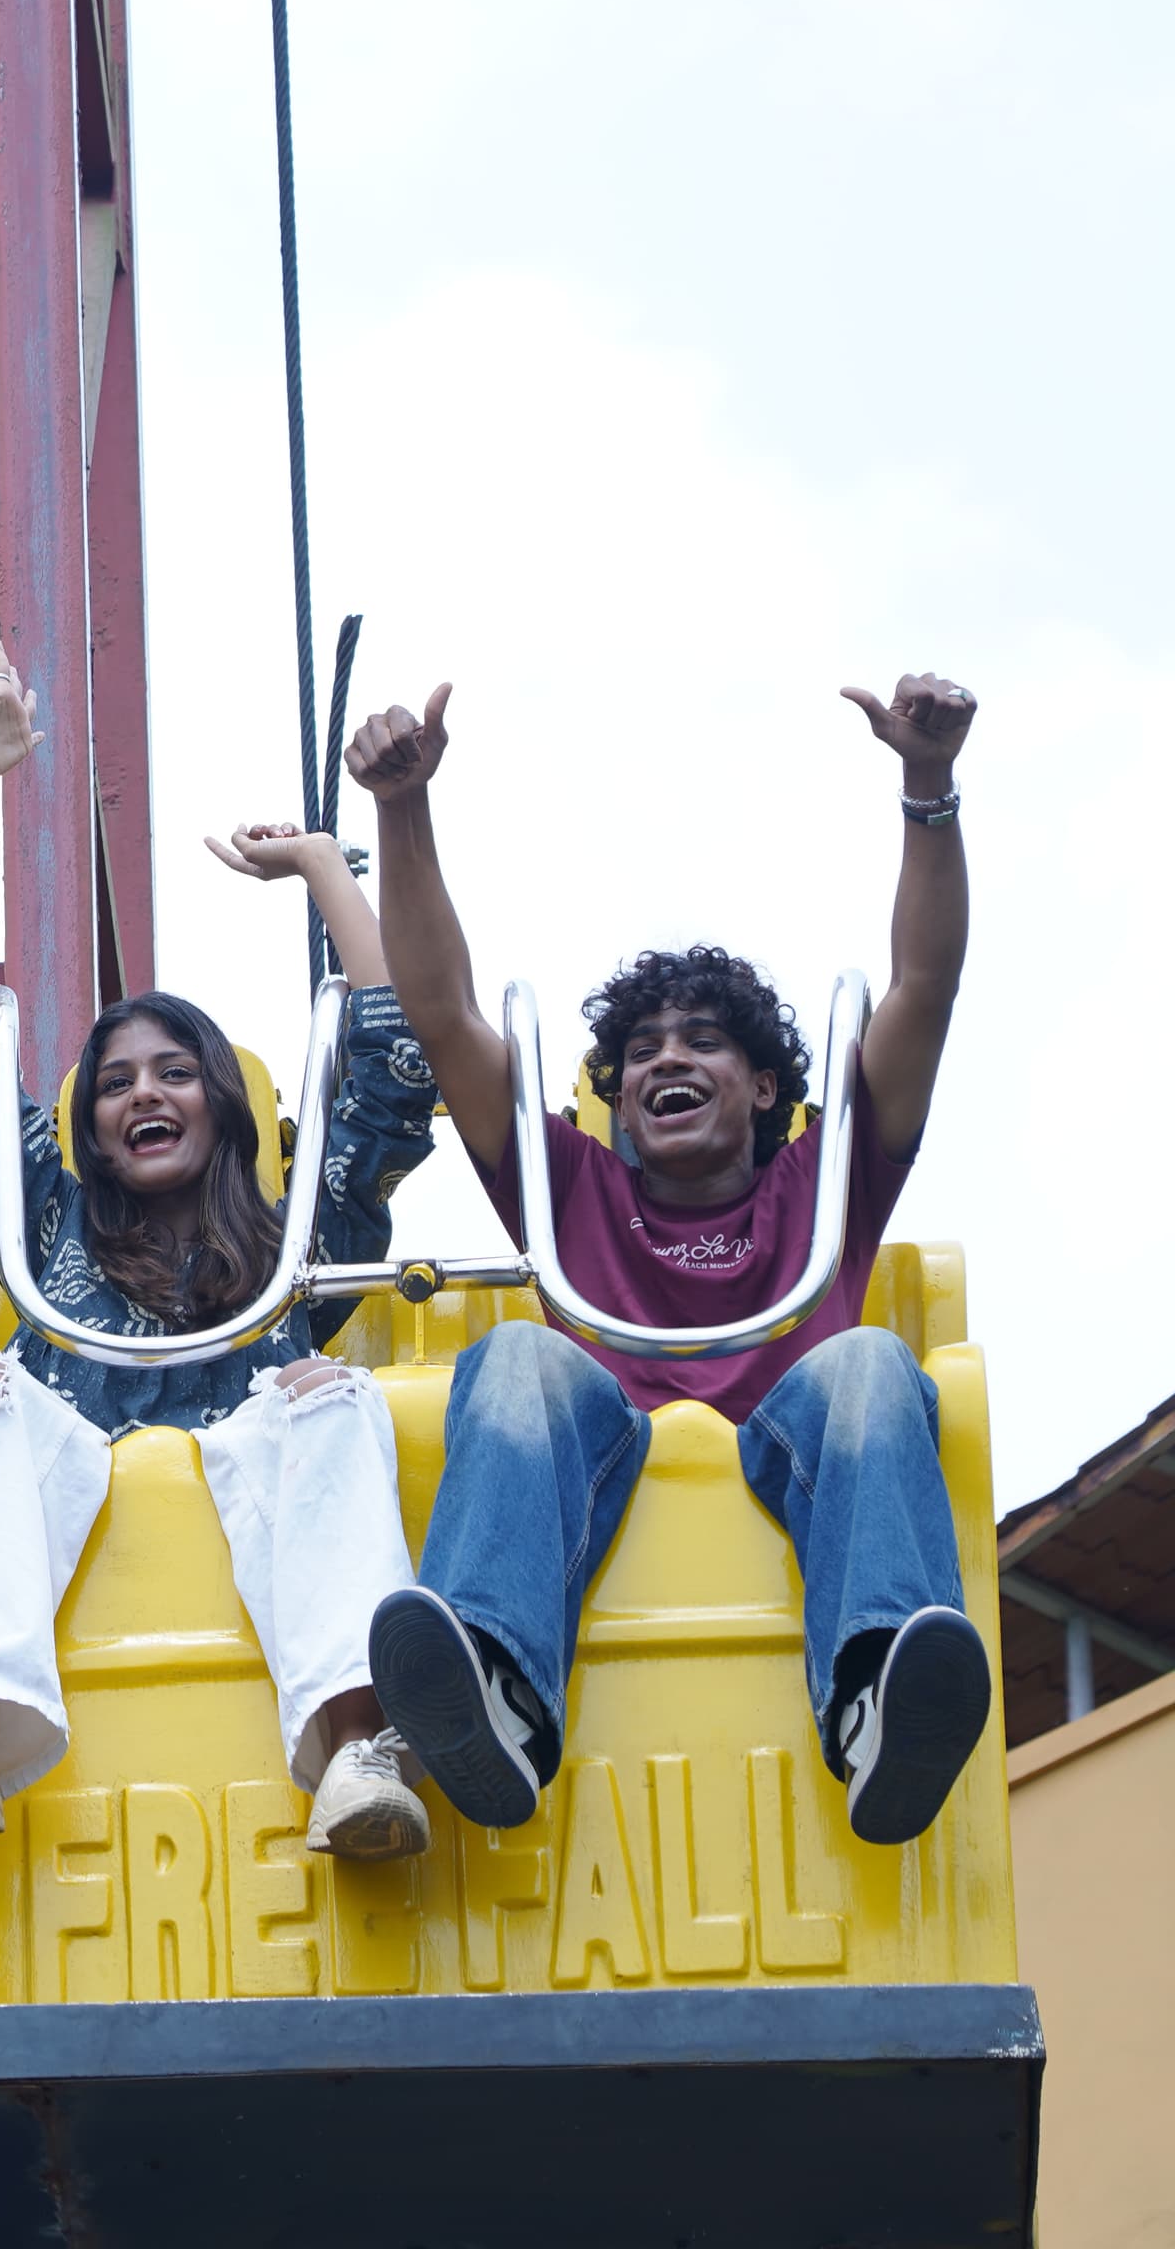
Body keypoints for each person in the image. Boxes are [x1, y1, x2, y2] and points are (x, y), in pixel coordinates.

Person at [346, 674, 987, 1847]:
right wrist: (402, 808)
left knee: (871, 1363)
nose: (663, 1061)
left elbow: (925, 989)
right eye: (640, 1051)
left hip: (788, 1446)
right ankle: (493, 1685)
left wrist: (928, 786)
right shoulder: (569, 1185)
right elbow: (441, 1015)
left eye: (701, 1042)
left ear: (764, 1088)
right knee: (522, 1355)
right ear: (620, 1101)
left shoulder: (822, 1179)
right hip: (607, 1450)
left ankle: (877, 1696)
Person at [0, 707, 447, 1861]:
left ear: (220, 1099)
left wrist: (320, 867)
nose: (143, 1094)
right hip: (67, 1438)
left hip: (252, 1441)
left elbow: (398, 1066)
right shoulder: (48, 1215)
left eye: (173, 1072)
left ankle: (362, 1741)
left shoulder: (298, 1236)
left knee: (336, 1394)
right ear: (91, 1125)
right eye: (114, 1082)